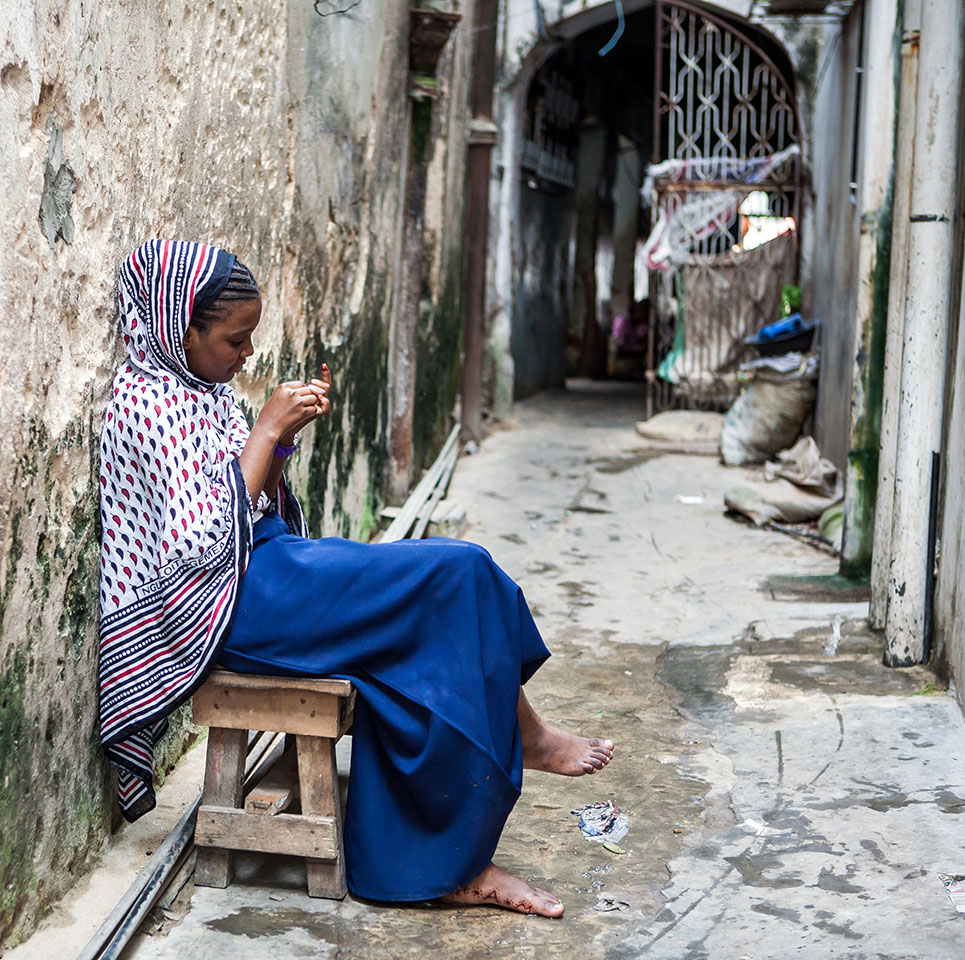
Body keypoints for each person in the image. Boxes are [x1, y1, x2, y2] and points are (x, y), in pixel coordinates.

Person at [97, 239, 614, 917]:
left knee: (463, 578)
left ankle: (474, 819)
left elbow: (249, 500)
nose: (246, 354)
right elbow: (198, 548)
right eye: (234, 340)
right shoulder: (143, 403)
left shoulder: (200, 387)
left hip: (263, 566)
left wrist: (281, 439)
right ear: (178, 328)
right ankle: (489, 803)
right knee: (456, 574)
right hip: (222, 607)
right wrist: (266, 431)